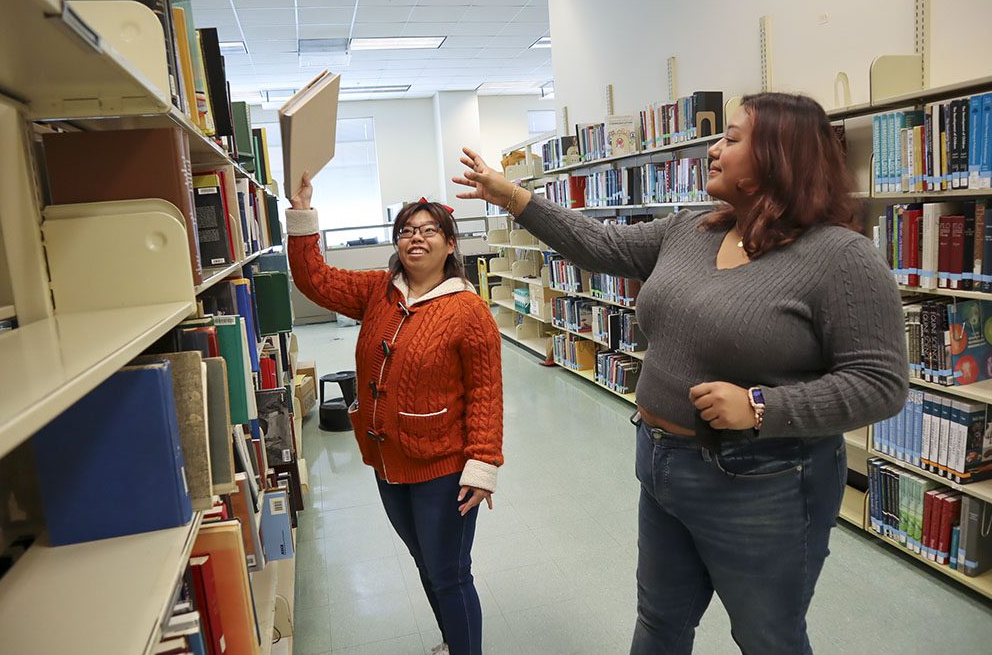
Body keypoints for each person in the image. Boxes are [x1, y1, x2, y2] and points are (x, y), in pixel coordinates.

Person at [454, 92, 908, 654]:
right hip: (661, 462)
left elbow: (881, 383)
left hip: (761, 480)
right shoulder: (693, 230)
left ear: (779, 157)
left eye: (733, 138)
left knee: (768, 637)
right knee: (660, 623)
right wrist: (513, 196)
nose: (714, 148)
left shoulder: (840, 258)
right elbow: (600, 243)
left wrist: (762, 406)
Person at [286, 173, 503, 655]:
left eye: (428, 230)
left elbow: (487, 392)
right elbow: (314, 278)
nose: (416, 237)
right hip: (388, 462)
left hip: (443, 466)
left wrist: (483, 464)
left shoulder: (469, 311)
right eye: (406, 229)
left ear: (450, 244)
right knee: (426, 563)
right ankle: (454, 640)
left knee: (449, 573)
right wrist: (302, 216)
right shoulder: (376, 292)